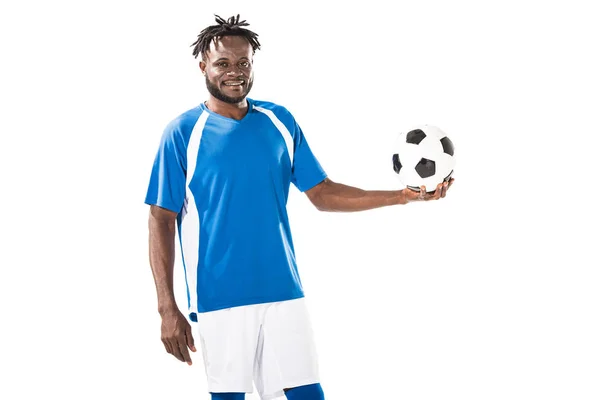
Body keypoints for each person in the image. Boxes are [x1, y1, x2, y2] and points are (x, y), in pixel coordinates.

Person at [144, 14, 453, 400]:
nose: (235, 72)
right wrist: (166, 308)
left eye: (243, 62)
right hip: (219, 297)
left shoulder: (279, 120)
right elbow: (161, 217)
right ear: (203, 66)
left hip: (283, 290)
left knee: (307, 393)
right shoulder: (182, 133)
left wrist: (403, 196)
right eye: (223, 63)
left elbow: (322, 193)